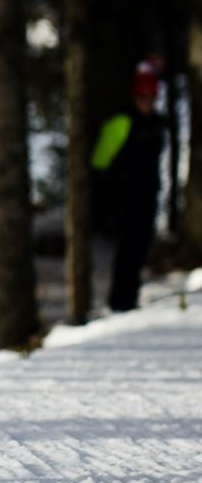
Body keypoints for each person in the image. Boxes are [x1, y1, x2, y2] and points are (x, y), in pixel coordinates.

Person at [91, 59, 166, 311]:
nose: (148, 102)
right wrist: (107, 195)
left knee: (140, 248)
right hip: (124, 197)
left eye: (152, 97)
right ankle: (119, 301)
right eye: (143, 96)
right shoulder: (121, 121)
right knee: (126, 250)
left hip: (148, 194)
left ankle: (130, 298)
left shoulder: (156, 123)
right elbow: (100, 161)